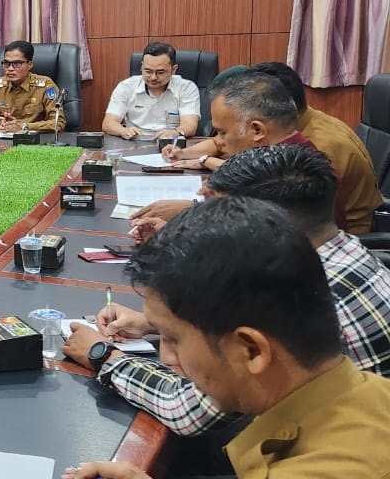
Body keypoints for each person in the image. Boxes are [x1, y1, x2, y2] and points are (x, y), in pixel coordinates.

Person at [64, 145, 390, 446]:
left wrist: (103, 356)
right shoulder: (343, 250)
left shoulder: (286, 291)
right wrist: (157, 325)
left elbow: (184, 409)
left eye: (215, 212)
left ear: (261, 223)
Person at [158, 62, 380, 233]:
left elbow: (257, 238)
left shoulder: (298, 167)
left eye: (223, 132)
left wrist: (194, 213)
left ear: (257, 129)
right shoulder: (283, 143)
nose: (220, 141)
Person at [101, 42, 199, 139]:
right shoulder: (126, 87)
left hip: (170, 143)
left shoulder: (186, 88)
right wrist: (124, 131)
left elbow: (190, 126)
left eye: (160, 72)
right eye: (148, 71)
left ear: (173, 69)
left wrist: (175, 132)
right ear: (141, 66)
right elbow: (108, 123)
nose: (153, 77)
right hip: (134, 143)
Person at [0, 40, 65, 133]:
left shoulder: (46, 86)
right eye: (6, 63)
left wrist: (23, 127)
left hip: (34, 141)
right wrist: (0, 125)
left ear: (30, 65)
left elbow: (58, 123)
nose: (10, 69)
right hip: (2, 140)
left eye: (16, 64)